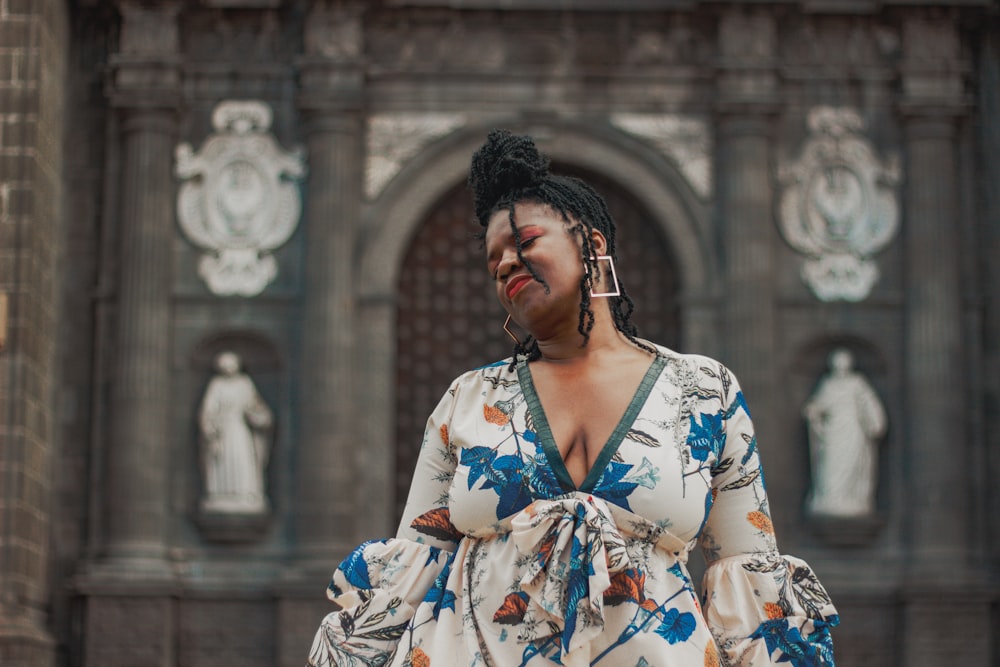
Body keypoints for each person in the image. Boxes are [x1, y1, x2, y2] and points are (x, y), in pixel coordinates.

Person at [306, 130, 838, 666]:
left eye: (525, 241)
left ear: (592, 245)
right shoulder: (468, 399)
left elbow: (749, 577)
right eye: (494, 263)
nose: (506, 264)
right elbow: (414, 568)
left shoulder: (704, 391)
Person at [803, 347, 886, 518]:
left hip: (853, 428)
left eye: (843, 362)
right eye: (837, 363)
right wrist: (812, 411)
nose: (840, 366)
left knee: (852, 464)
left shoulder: (857, 383)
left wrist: (875, 423)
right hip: (833, 430)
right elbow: (818, 404)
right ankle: (830, 499)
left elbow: (869, 403)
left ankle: (852, 498)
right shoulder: (828, 384)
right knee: (830, 465)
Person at [198, 350, 273, 514]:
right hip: (223, 430)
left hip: (239, 429)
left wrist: (257, 416)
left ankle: (245, 493)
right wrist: (211, 428)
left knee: (241, 459)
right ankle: (221, 494)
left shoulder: (245, 384)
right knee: (223, 461)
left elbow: (255, 406)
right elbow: (208, 410)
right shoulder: (216, 385)